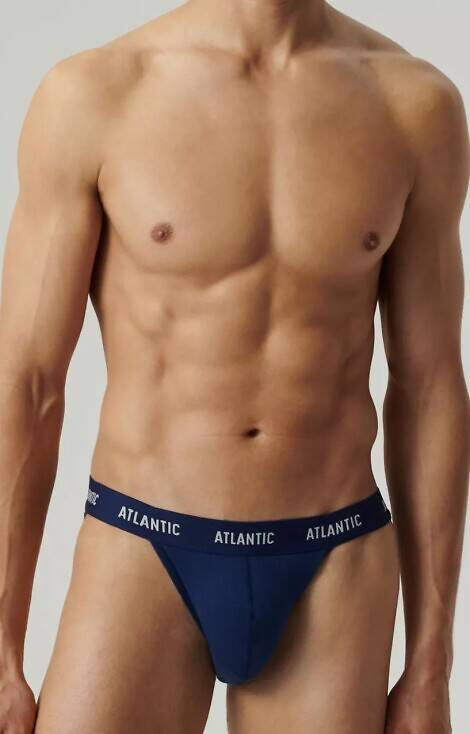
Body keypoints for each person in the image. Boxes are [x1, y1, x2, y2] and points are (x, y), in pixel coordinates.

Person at [0, 1, 468, 732]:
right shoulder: (95, 94)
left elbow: (431, 386)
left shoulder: (414, 105)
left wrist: (431, 666)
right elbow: (28, 383)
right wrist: (2, 651)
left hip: (333, 560)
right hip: (141, 545)